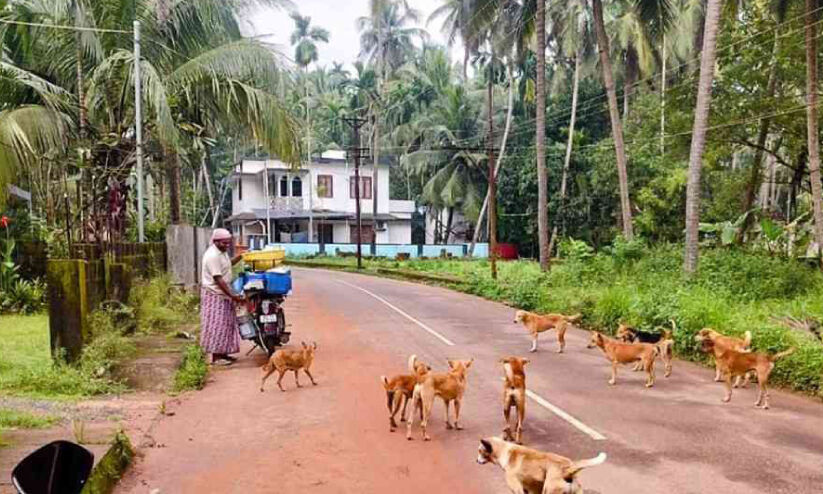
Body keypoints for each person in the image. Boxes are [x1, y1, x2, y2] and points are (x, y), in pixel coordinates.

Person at [200, 228, 244, 365]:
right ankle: (216, 357)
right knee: (217, 325)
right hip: (215, 295)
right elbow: (218, 279)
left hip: (223, 294)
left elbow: (227, 265)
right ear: (215, 241)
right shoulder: (212, 255)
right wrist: (233, 296)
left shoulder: (221, 252)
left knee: (226, 324)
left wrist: (241, 256)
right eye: (224, 243)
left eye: (228, 243)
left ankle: (223, 353)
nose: (227, 245)